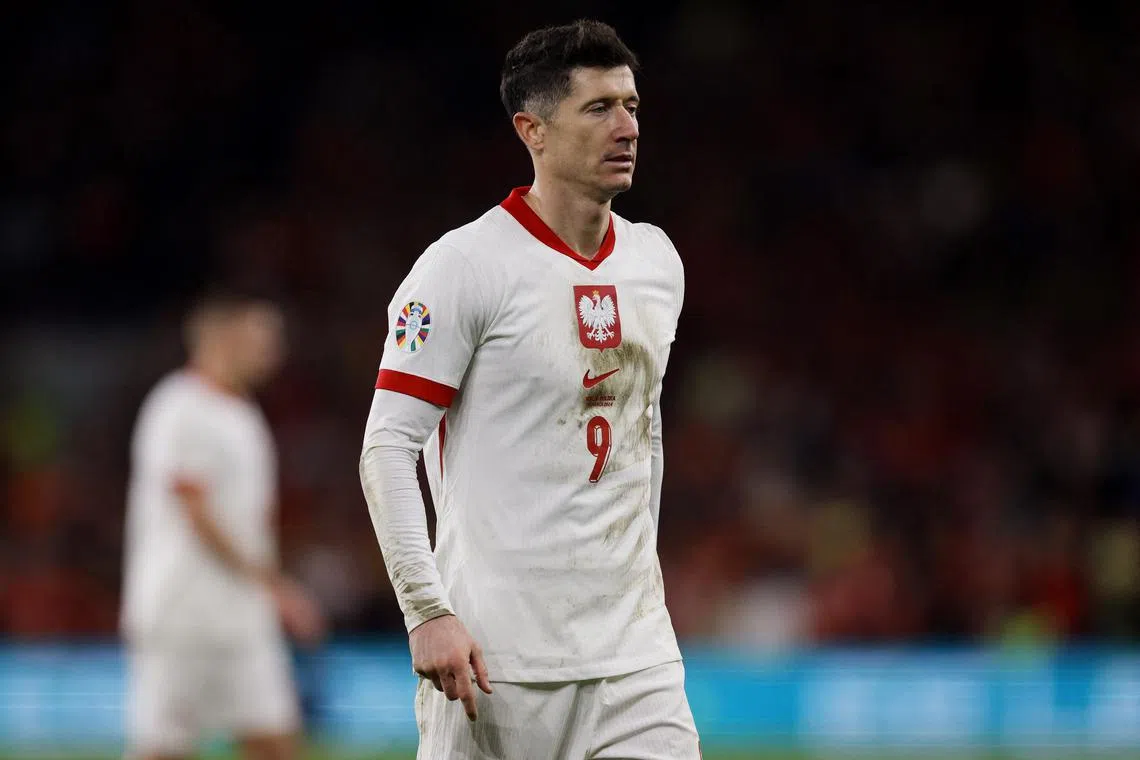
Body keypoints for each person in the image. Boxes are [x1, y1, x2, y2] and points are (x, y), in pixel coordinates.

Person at [359, 19, 700, 759]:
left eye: (631, 106)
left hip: (635, 658)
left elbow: (643, 431)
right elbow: (387, 446)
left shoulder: (656, 262)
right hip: (496, 661)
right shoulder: (464, 266)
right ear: (532, 130)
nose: (626, 127)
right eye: (598, 108)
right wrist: (426, 611)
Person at [121, 290, 325, 760]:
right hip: (181, 609)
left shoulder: (241, 411)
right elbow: (197, 514)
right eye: (262, 338)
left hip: (239, 611)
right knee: (166, 748)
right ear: (221, 337)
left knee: (274, 740)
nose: (273, 351)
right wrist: (274, 585)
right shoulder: (180, 406)